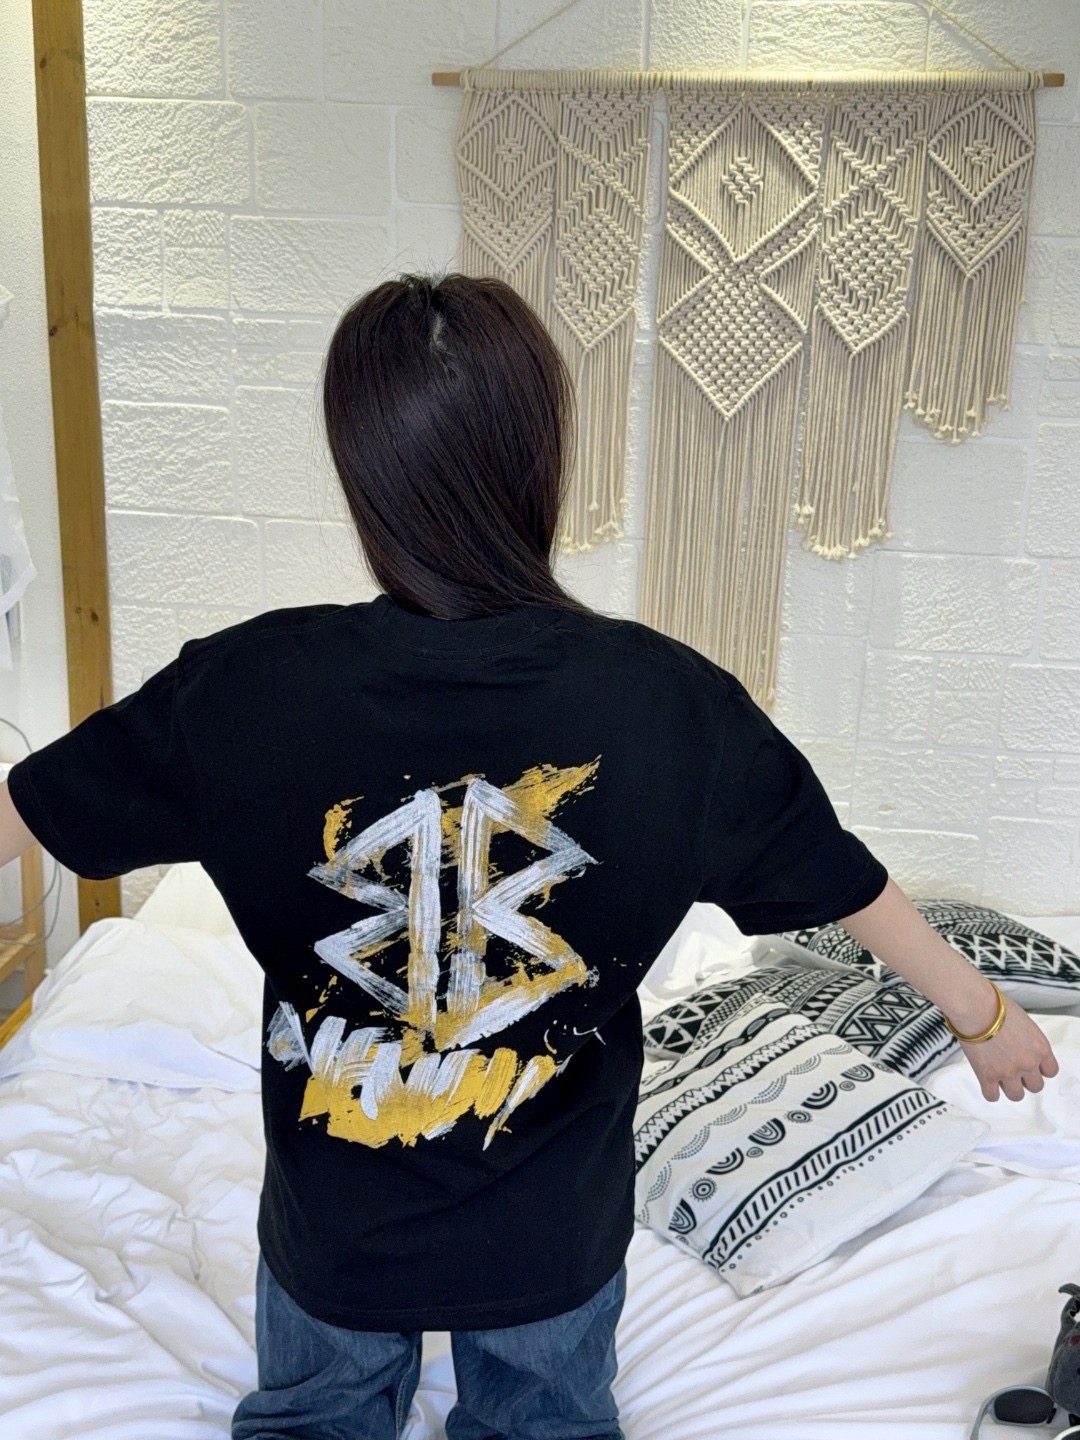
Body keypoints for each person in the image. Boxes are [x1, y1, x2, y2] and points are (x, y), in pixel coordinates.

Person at [0, 272, 1059, 1440]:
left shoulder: (242, 690)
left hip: (337, 1228)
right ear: (542, 456)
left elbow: (25, 815)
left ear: (363, 470)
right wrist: (980, 1013)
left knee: (310, 1421)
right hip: (550, 1236)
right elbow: (837, 874)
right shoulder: (670, 705)